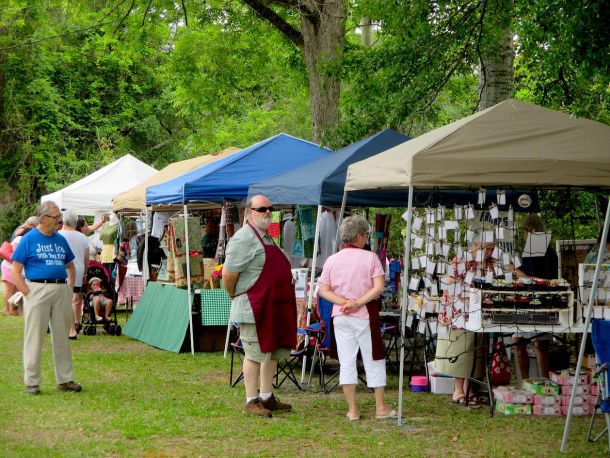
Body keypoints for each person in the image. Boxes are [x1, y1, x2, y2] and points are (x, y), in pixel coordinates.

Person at [223, 195, 297, 418]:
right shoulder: (243, 238)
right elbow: (228, 274)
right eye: (262, 209)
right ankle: (250, 400)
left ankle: (266, 396)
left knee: (271, 352)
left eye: (270, 209)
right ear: (249, 212)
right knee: (254, 354)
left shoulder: (267, 237)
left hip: (272, 307)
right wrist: (234, 294)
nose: (267, 212)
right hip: (254, 307)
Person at [318, 215, 395, 421]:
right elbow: (379, 288)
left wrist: (344, 302)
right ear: (359, 236)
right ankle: (380, 407)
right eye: (366, 235)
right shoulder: (370, 258)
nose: (366, 238)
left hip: (341, 315)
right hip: (364, 315)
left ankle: (352, 409)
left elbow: (323, 290)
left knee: (346, 361)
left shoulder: (332, 260)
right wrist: (358, 302)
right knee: (374, 358)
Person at [11, 201, 82, 395]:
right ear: (43, 218)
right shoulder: (29, 239)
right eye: (56, 216)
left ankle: (65, 380)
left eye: (60, 216)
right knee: (34, 337)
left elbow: (70, 265)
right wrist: (27, 293)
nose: (59, 220)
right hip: (37, 289)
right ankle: (32, 383)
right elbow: (16, 270)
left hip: (60, 290)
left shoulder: (60, 239)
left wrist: (69, 289)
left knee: (62, 337)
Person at [511, 213, 557, 380]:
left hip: (533, 303)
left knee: (522, 343)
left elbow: (531, 278)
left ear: (529, 230)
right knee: (538, 344)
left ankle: (526, 381)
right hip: (546, 302)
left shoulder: (535, 248)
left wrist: (515, 272)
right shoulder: (549, 249)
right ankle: (542, 381)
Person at [59, 210, 90, 339]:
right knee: (76, 298)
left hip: (63, 269)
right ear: (76, 222)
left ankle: (71, 326)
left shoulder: (59, 235)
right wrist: (85, 272)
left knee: (66, 299)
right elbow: (86, 257)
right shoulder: (82, 237)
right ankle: (77, 322)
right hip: (79, 268)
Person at [2, 216, 38, 316]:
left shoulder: (22, 237)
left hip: (12, 266)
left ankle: (13, 309)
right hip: (9, 266)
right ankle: (6, 309)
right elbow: (15, 252)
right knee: (9, 289)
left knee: (15, 289)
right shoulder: (19, 238)